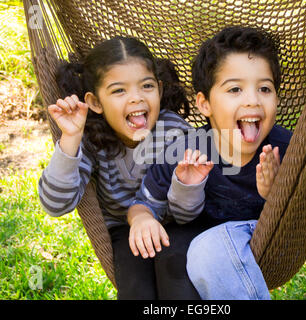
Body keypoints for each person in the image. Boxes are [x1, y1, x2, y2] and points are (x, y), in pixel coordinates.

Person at [128, 26, 293, 299]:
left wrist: (276, 193)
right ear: (205, 104)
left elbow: (302, 214)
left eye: (265, 88)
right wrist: (142, 219)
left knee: (209, 248)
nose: (252, 100)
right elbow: (142, 203)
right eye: (235, 89)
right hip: (204, 248)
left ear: (277, 98)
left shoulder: (289, 150)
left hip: (263, 239)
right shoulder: (186, 151)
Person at [37, 36, 201, 299]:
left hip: (177, 224)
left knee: (177, 278)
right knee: (136, 288)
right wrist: (70, 137)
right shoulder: (91, 141)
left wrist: (159, 208)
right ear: (95, 102)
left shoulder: (174, 133)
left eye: (146, 86)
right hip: (124, 233)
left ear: (159, 90)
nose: (136, 98)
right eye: (119, 90)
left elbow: (188, 213)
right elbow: (55, 204)